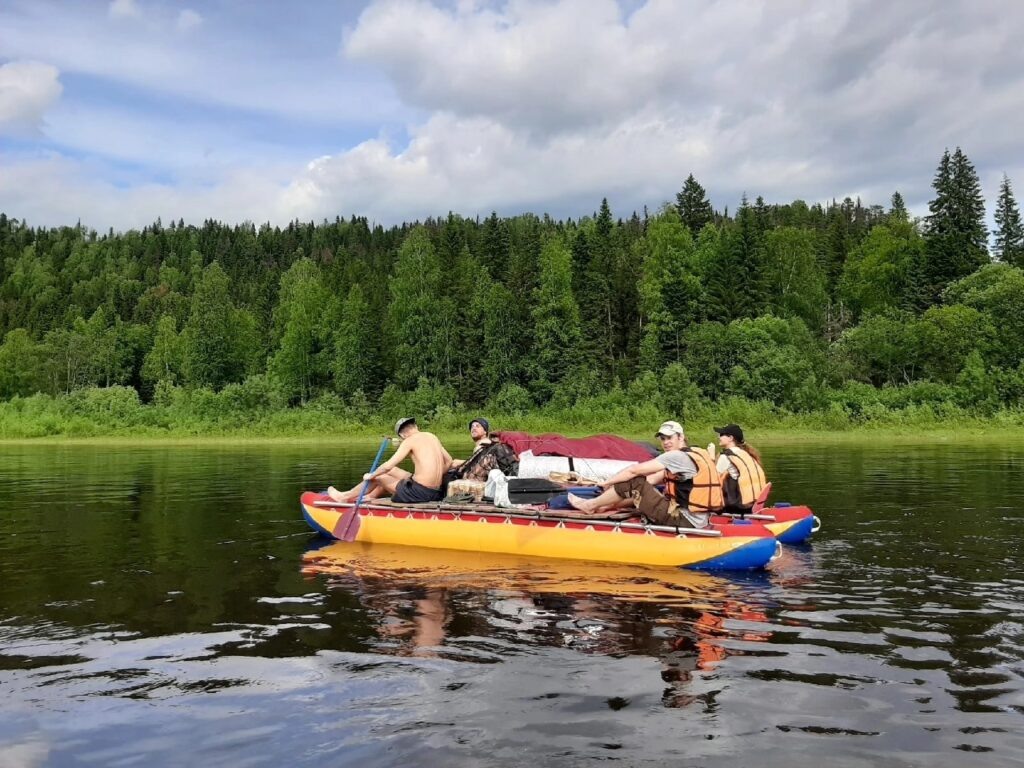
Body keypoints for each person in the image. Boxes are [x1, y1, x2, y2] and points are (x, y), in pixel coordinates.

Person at [565, 420, 722, 528]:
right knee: (639, 486)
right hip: (698, 519)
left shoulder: (675, 456)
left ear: (681, 437)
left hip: (683, 519)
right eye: (662, 439)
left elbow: (633, 471)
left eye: (670, 438)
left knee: (635, 481)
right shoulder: (695, 452)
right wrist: (616, 490)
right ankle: (604, 505)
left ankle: (590, 505)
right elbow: (652, 479)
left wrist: (607, 483)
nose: (666, 442)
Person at [327, 417, 451, 505]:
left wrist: (371, 475)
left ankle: (344, 496)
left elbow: (387, 465)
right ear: (416, 427)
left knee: (379, 478)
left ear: (402, 435)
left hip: (420, 493)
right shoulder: (432, 436)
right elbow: (449, 461)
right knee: (393, 471)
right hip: (436, 491)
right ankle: (370, 496)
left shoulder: (409, 440)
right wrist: (433, 476)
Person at [713, 424, 767, 514]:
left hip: (737, 506)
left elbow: (712, 478)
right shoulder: (745, 453)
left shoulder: (725, 456)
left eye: (721, 434)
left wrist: (711, 458)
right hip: (751, 503)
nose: (719, 437)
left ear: (730, 438)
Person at [446, 417, 519, 484]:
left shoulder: (485, 443)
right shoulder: (483, 446)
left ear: (485, 432)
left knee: (453, 465)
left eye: (478, 426)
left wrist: (456, 463)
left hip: (488, 475)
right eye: (472, 427)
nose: (474, 428)